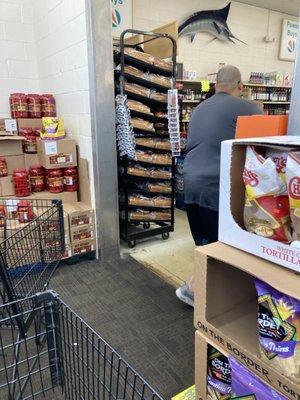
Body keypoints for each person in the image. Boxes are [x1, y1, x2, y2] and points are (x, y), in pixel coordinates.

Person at [176, 65, 262, 307]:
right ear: (241, 86)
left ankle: (196, 289)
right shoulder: (248, 108)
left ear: (215, 86)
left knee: (205, 243)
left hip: (191, 183)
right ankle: (203, 294)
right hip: (219, 185)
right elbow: (263, 145)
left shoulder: (199, 109)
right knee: (224, 246)